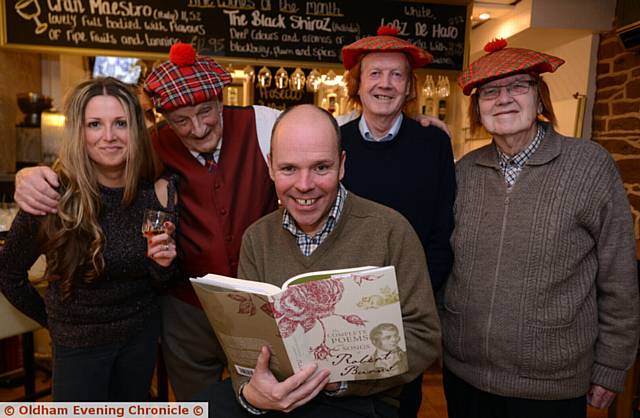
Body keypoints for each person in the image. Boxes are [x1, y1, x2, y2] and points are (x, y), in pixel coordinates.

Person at [12, 43, 449, 401]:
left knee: (268, 396)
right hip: (186, 305)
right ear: (164, 118)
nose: (199, 127)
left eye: (207, 112)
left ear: (221, 98)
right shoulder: (149, 147)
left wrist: (405, 124)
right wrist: (32, 175)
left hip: (262, 300)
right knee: (204, 403)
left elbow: (320, 139)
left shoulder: (262, 122)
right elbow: (101, 161)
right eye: (182, 120)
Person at [198, 104, 441, 418]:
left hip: (358, 398)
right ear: (270, 167)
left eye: (320, 168)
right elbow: (243, 341)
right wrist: (252, 392)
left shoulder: (390, 231)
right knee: (197, 408)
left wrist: (338, 380)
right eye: (288, 169)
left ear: (341, 166)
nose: (303, 185)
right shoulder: (257, 239)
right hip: (275, 391)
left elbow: (423, 335)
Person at [441, 38, 639, 418]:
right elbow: (447, 262)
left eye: (518, 86)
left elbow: (619, 276)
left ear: (540, 97)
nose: (504, 99)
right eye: (490, 91)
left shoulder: (589, 166)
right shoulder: (464, 172)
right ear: (477, 108)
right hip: (464, 376)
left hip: (551, 387)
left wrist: (612, 365)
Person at [0, 77, 177, 400]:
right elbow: (8, 274)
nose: (109, 137)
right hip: (78, 349)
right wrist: (55, 322)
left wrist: (163, 266)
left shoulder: (157, 193)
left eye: (120, 123)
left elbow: (162, 283)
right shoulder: (52, 196)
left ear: (136, 129)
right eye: (95, 124)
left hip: (140, 341)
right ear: (79, 133)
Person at [339, 25, 456, 418]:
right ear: (357, 84)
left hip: (407, 308)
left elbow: (444, 228)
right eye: (375, 73)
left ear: (409, 88)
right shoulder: (335, 141)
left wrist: (419, 292)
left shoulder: (434, 143)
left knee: (400, 407)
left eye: (396, 75)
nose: (385, 84)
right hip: (342, 308)